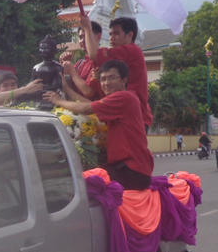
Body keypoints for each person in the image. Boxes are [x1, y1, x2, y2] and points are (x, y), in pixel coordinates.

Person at [43, 59, 153, 190]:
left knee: (79, 183)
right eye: (103, 79)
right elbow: (89, 105)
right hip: (128, 169)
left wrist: (58, 101)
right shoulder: (121, 99)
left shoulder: (124, 98)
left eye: (112, 78)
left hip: (131, 170)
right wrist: (66, 88)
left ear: (124, 80)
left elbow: (86, 109)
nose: (106, 83)